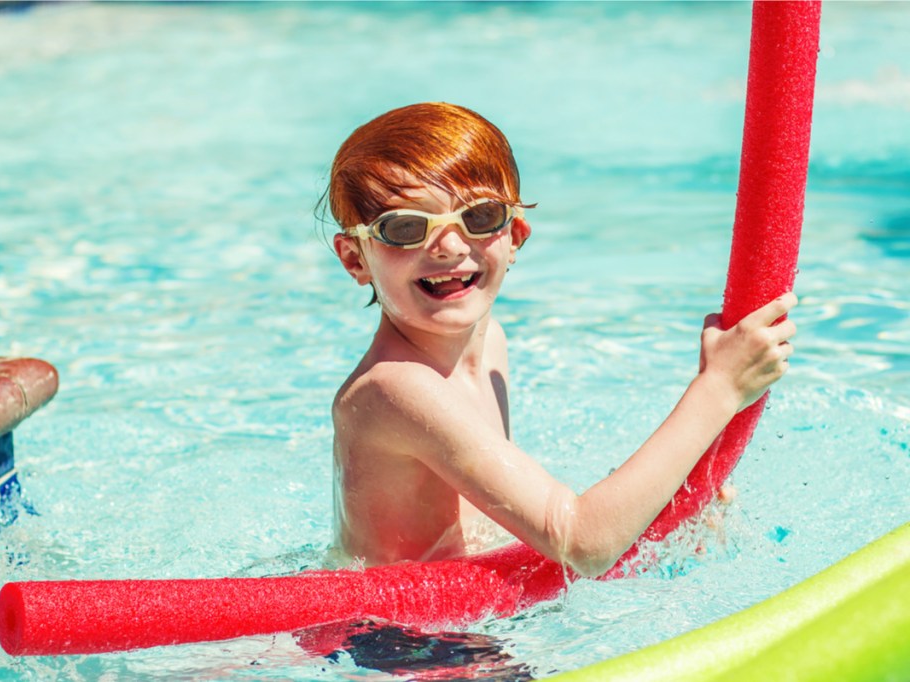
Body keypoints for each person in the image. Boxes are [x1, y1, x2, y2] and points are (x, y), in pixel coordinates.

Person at [324, 102, 796, 577]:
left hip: (467, 606)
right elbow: (580, 542)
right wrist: (720, 388)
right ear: (354, 259)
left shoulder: (488, 346)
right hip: (389, 624)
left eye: (480, 216)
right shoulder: (395, 388)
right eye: (405, 228)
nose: (448, 246)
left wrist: (664, 508)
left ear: (515, 236)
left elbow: (538, 526)